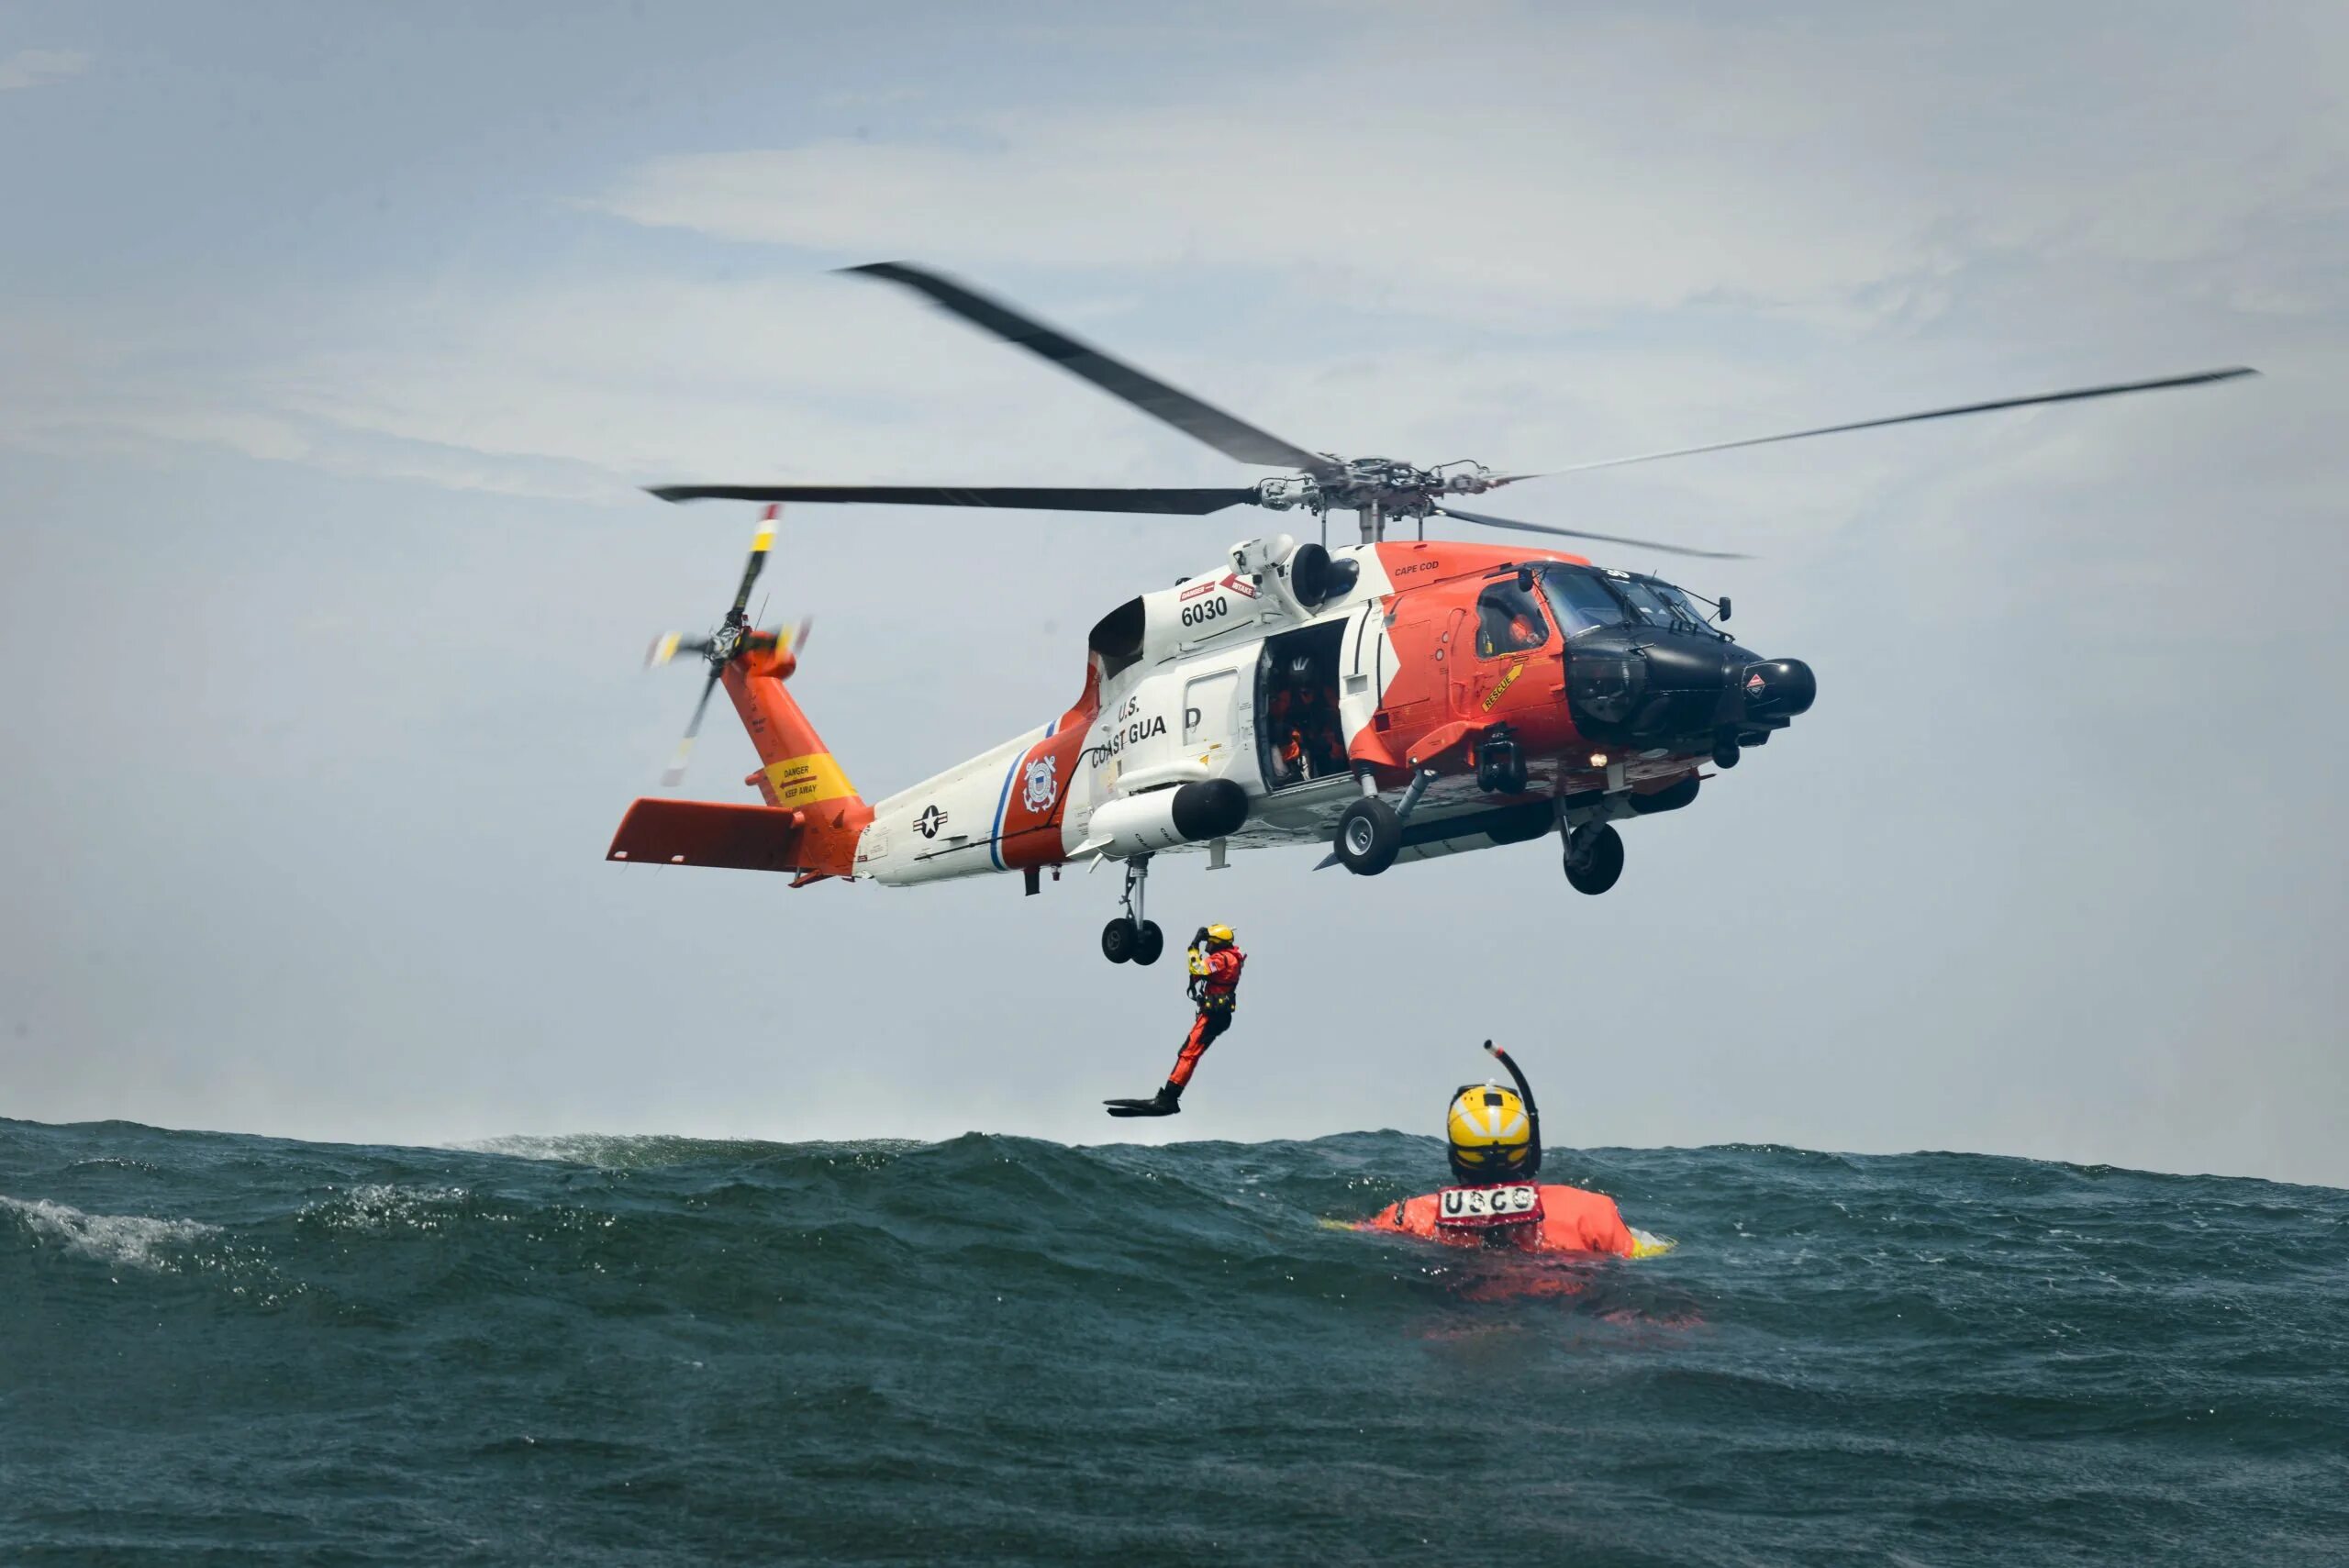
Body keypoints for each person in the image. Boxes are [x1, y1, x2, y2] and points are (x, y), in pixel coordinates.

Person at [1357, 1041, 1672, 1257]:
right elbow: (1650, 1255)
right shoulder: (1592, 1213)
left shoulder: (1407, 1217)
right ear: (1529, 1149)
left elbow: (1346, 1235)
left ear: (1456, 1155)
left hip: (1453, 1324)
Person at [1105, 923, 1245, 1118]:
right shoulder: (1229, 957)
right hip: (1216, 1015)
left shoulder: (1223, 959)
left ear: (1218, 944)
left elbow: (1197, 967)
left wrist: (1193, 946)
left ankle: (1168, 1099)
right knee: (1188, 1053)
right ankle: (1169, 1097)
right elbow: (1203, 974)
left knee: (1188, 1054)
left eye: (1209, 943)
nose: (1207, 947)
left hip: (1213, 1016)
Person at [1264, 654, 1336, 783]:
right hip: (1299, 741)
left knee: (1333, 759)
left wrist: (1329, 731)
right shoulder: (1287, 696)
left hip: (1325, 738)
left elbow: (1338, 713)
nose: (1303, 687)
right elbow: (1274, 717)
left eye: (1307, 682)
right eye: (1298, 684)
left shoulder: (1325, 692)